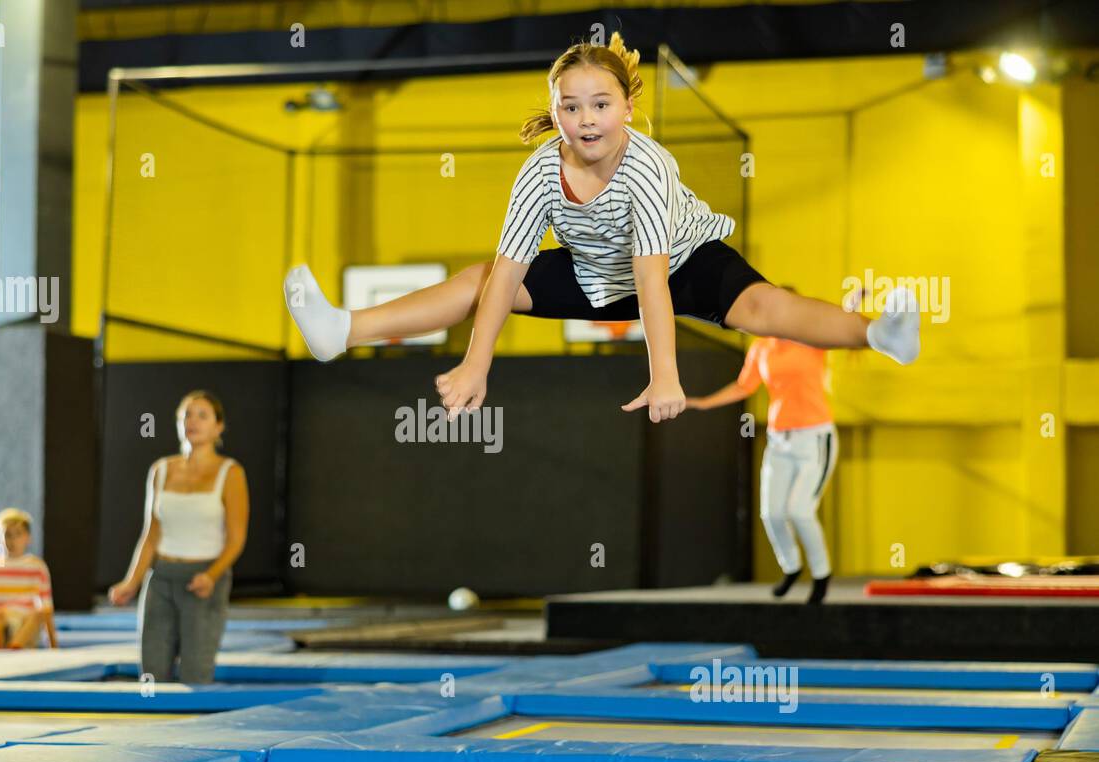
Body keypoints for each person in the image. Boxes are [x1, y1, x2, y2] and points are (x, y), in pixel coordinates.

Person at [282, 32, 920, 424]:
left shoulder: (647, 166)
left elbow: (652, 282)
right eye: (570, 105)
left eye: (601, 104)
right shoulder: (539, 171)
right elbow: (507, 273)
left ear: (628, 109)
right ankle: (342, 330)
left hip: (682, 260)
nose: (585, 119)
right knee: (477, 279)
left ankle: (878, 334)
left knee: (764, 306)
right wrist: (477, 364)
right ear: (554, 110)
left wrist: (664, 373)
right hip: (592, 269)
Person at [108, 391, 249, 684]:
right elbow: (151, 533)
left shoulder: (230, 472)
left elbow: (236, 538)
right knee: (152, 673)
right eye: (186, 415)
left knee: (196, 673)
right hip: (161, 579)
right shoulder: (160, 469)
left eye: (202, 415)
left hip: (203, 580)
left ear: (218, 427)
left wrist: (211, 575)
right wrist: (131, 581)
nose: (193, 421)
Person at [688, 336, 838, 603]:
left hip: (814, 438)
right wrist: (703, 402)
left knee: (800, 511)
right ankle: (791, 566)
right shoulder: (761, 346)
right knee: (772, 513)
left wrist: (854, 302)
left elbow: (840, 327)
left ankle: (821, 575)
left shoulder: (811, 339)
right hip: (779, 439)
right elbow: (744, 386)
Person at [0, 508, 59, 649]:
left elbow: (47, 610)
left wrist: (53, 645)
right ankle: (2, 644)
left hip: (23, 625)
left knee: (38, 614)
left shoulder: (37, 568)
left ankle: (13, 645)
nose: (12, 540)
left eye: (18, 534)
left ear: (28, 537)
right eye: (7, 535)